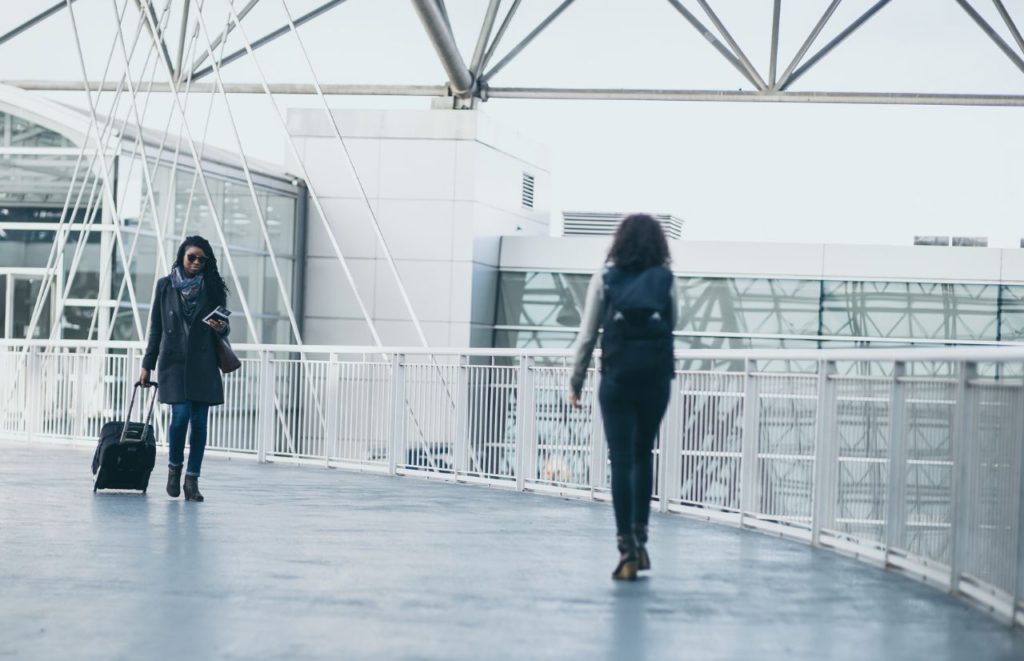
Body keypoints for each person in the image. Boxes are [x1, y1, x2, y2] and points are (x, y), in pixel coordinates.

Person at [568, 214, 677, 580]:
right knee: (644, 452)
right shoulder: (666, 280)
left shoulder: (605, 278)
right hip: (655, 378)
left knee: (621, 459)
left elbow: (586, 335)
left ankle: (626, 549)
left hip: (616, 379)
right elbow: (673, 324)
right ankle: (642, 541)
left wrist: (576, 382)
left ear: (619, 242)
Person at [140, 236, 231, 502]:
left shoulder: (213, 288)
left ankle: (192, 480)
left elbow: (225, 326)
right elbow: (156, 328)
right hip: (174, 362)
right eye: (192, 257)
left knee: (200, 424)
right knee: (179, 418)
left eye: (202, 259)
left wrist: (222, 327)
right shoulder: (165, 286)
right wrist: (147, 364)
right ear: (182, 255)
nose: (196, 263)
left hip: (202, 363)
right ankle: (174, 469)